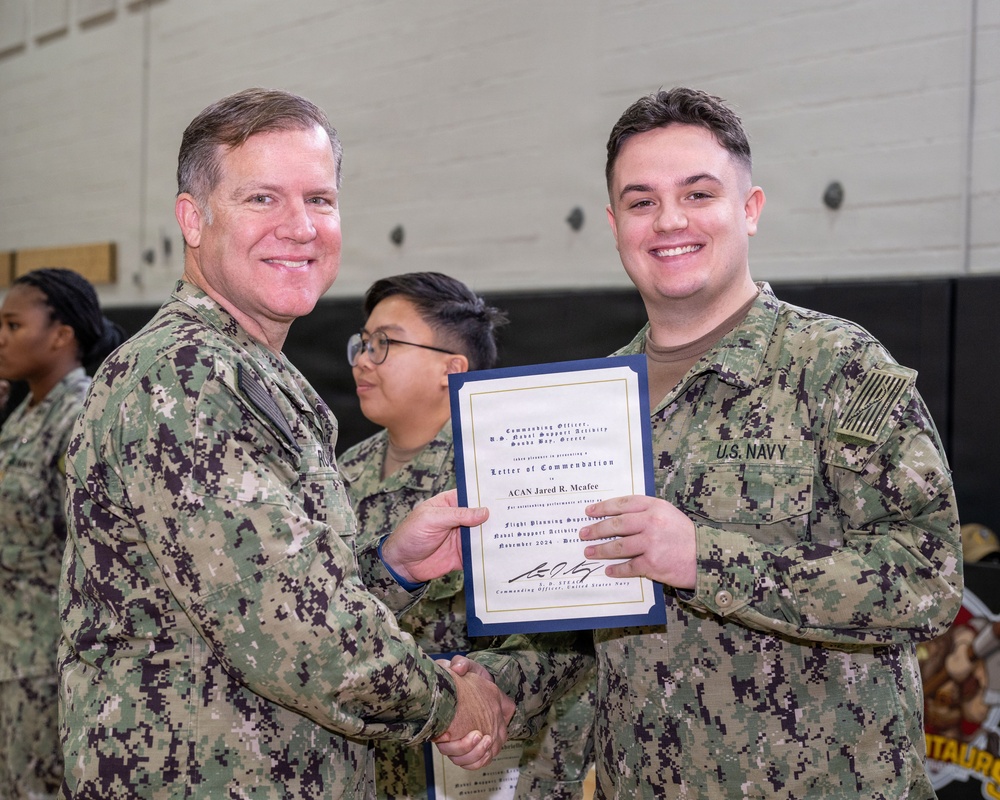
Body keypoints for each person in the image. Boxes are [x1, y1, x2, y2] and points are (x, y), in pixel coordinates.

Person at [442, 87, 964, 798]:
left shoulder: (837, 366)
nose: (670, 221)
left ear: (749, 210)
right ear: (615, 224)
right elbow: (579, 624)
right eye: (642, 201)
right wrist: (492, 687)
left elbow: (926, 579)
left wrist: (702, 558)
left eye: (698, 193)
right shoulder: (586, 406)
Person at [57, 88, 512, 799]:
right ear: (194, 219)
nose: (300, 228)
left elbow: (263, 589)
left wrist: (388, 565)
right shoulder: (184, 375)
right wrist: (450, 705)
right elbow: (295, 633)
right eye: (262, 199)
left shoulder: (248, 370)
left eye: (320, 200)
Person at [339, 272, 596, 799]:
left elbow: (565, 643)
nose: (362, 360)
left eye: (384, 343)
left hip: (495, 773)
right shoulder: (341, 472)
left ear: (450, 369)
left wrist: (476, 689)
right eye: (361, 344)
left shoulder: (508, 471)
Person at [0, 268, 125, 799]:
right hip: (13, 648)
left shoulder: (81, 416)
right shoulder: (24, 410)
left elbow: (99, 552)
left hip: (47, 658)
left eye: (11, 324)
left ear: (60, 335)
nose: (0, 338)